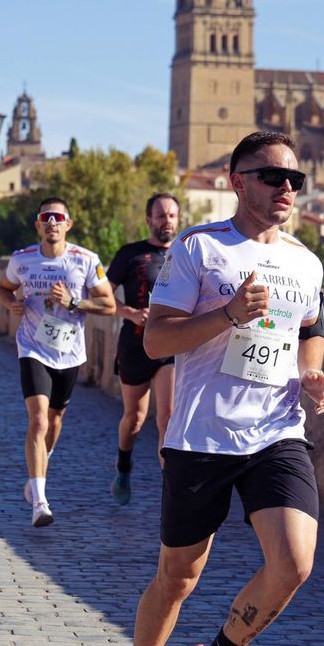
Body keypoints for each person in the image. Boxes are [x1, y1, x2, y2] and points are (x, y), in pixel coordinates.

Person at [107, 131, 324, 646]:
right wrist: (229, 314)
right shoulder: (199, 248)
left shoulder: (306, 262)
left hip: (277, 432)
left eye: (295, 180)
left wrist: (313, 373)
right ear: (238, 181)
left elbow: (311, 329)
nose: (286, 188)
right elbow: (156, 340)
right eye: (272, 177)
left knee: (294, 562)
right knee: (178, 577)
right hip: (202, 436)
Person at [0, 198, 115, 527]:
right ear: (38, 224)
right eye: (46, 217)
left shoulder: (86, 260)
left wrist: (74, 302)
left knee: (55, 420)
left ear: (68, 225)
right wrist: (10, 304)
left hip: (69, 352)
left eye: (58, 218)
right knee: (38, 421)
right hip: (32, 347)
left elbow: (109, 306)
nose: (52, 223)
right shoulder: (21, 259)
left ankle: (38, 470)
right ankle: (40, 502)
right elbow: (3, 288)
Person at [105, 193, 181, 505]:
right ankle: (123, 466)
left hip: (170, 346)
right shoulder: (131, 254)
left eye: (172, 215)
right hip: (135, 345)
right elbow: (103, 296)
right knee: (134, 418)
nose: (167, 221)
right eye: (161, 216)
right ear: (149, 220)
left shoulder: (185, 255)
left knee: (168, 416)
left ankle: (170, 492)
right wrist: (131, 313)